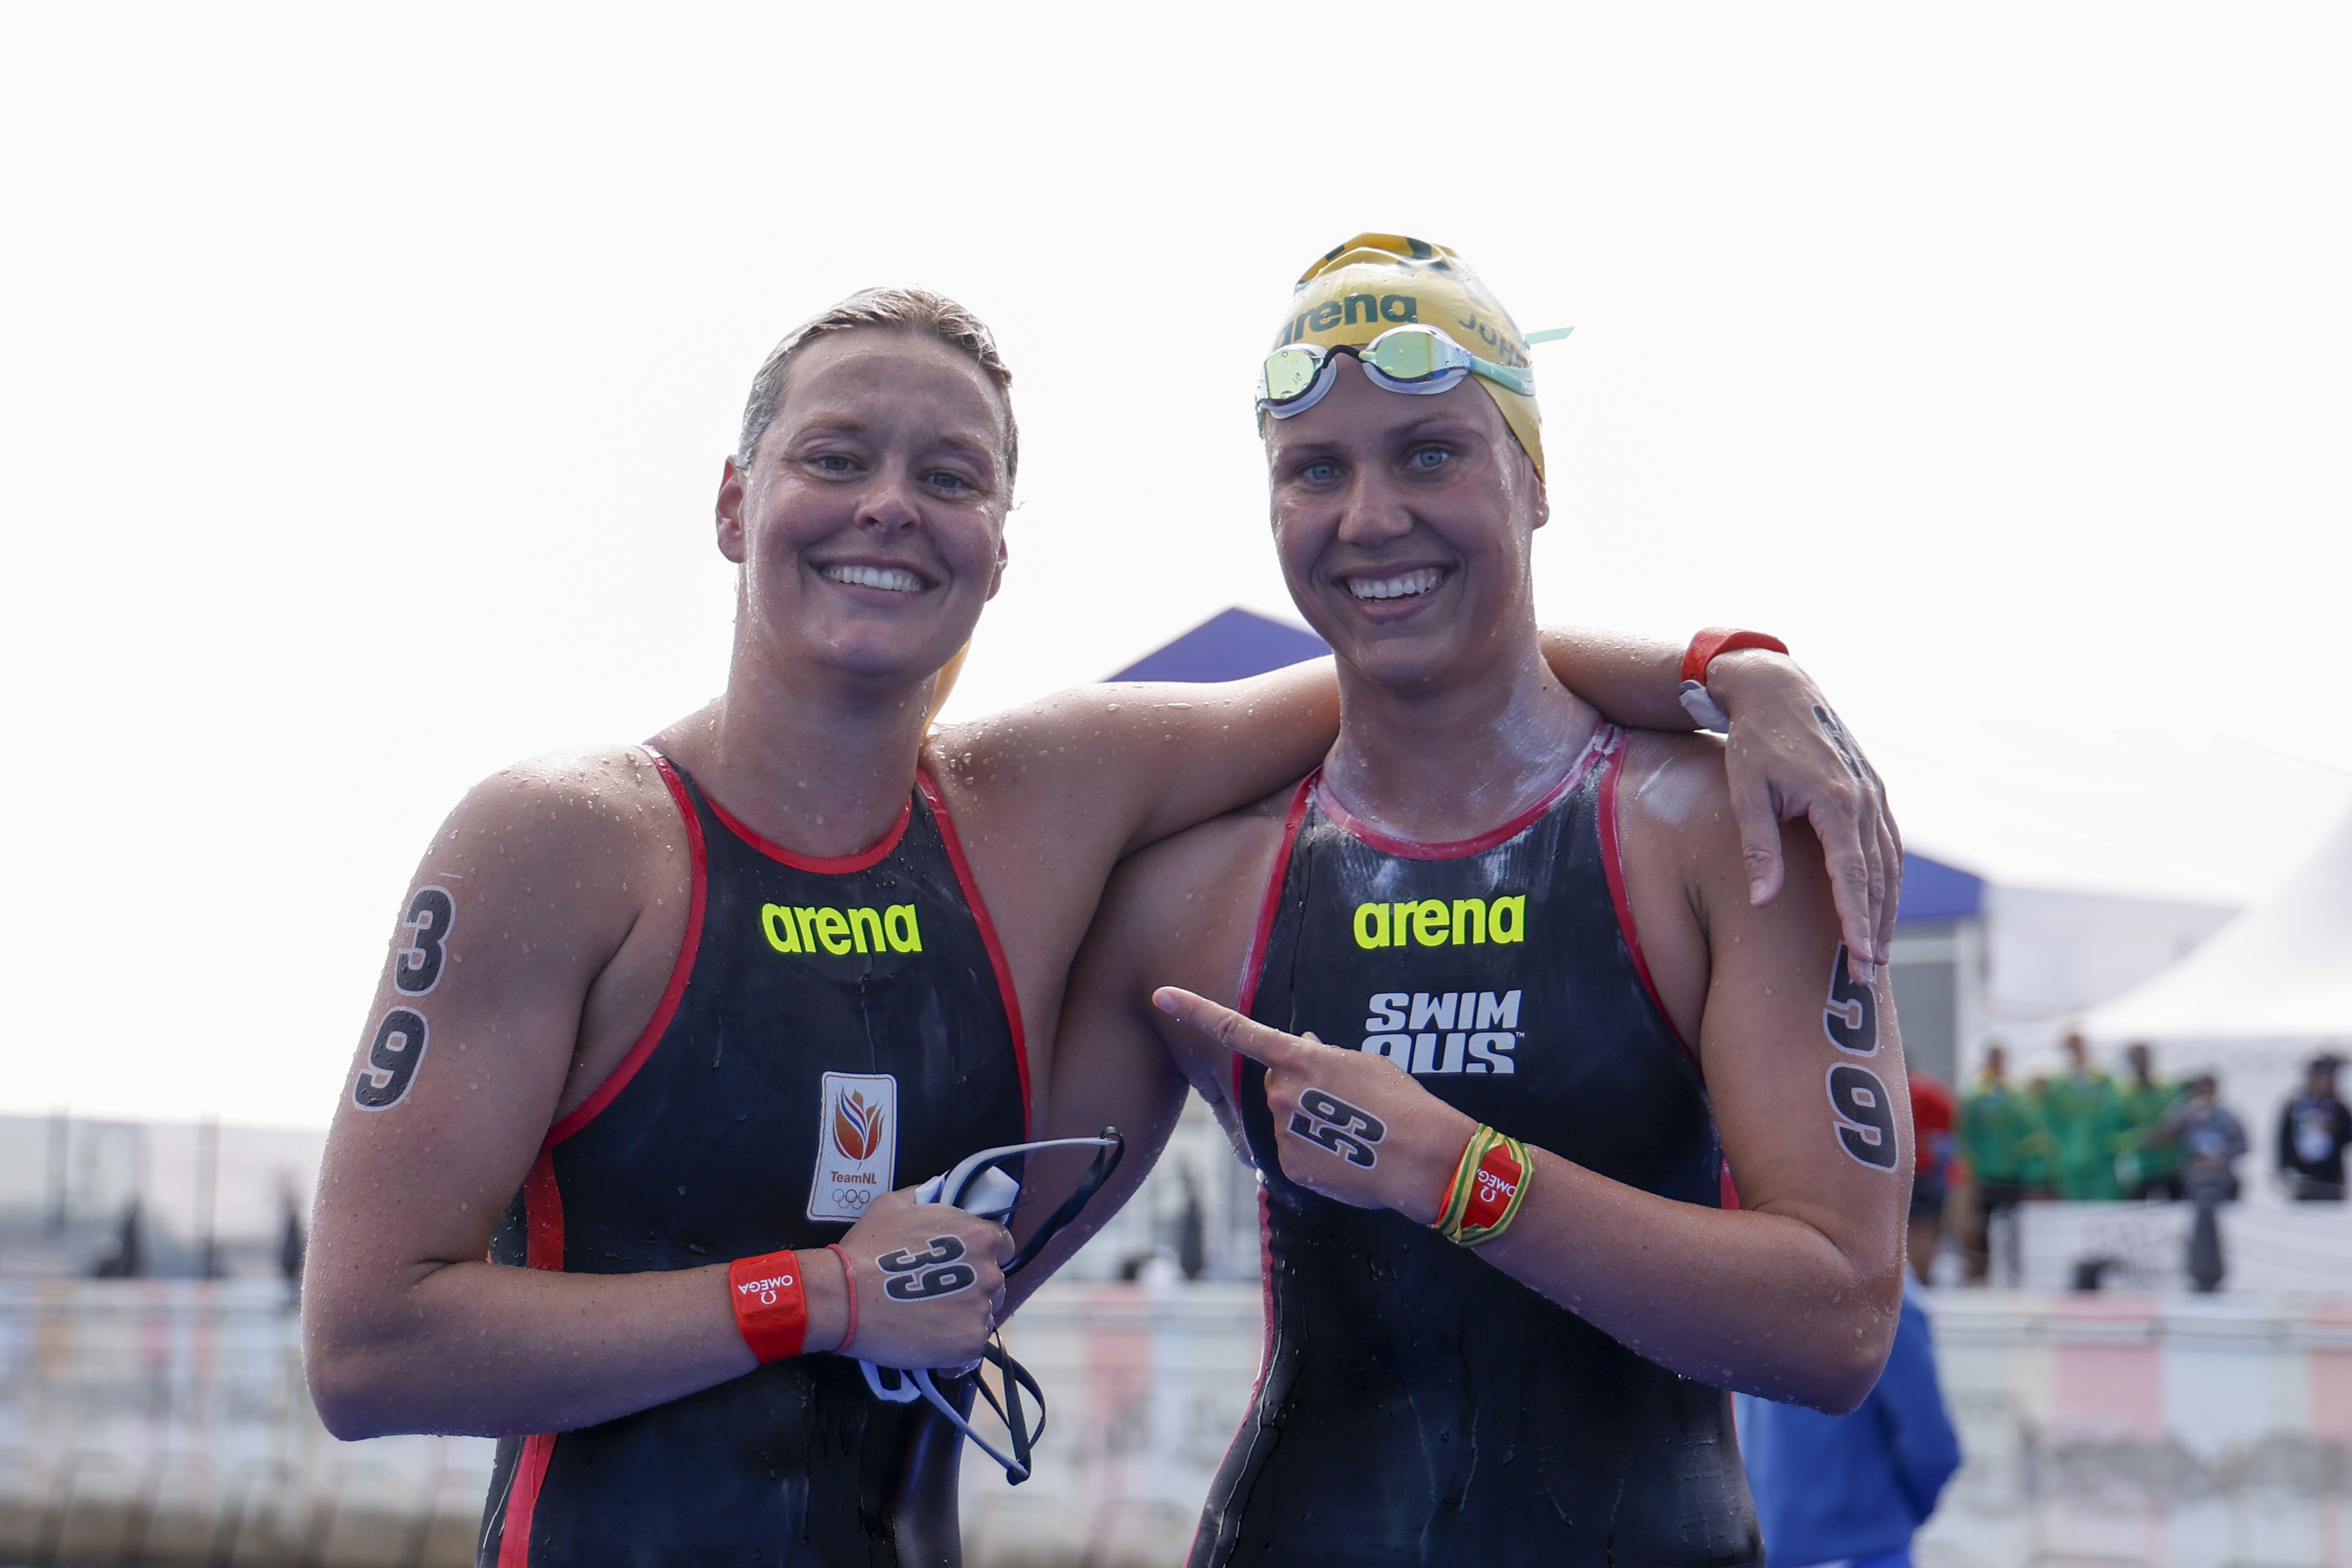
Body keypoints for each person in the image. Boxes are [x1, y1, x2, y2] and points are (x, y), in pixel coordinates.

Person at [299, 285, 1898, 1567]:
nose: (889, 509)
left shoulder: (1040, 804)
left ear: (1001, 537)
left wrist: (1741, 669)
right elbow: (369, 1349)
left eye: (949, 475)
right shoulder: (571, 838)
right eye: (836, 457)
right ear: (734, 502)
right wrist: (817, 1294)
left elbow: (1425, 660)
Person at [1024, 234, 1911, 1568]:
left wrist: (1461, 1174)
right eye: (1316, 469)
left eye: (1431, 452)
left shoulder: (1727, 834)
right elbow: (977, 1256)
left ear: (1533, 481)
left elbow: (1837, 1325)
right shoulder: (1197, 889)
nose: (1371, 514)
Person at [1735, 1268, 1961, 1568]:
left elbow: (1932, 1447)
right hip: (1844, 1548)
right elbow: (1933, 1446)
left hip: (1846, 1552)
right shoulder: (1879, 1282)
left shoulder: (1749, 1272)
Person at [1958, 1045, 2035, 1282]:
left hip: (2012, 1172)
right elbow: (1965, 1136)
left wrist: (2026, 1162)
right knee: (1983, 1226)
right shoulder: (1977, 1096)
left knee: (2014, 1225)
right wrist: (1970, 1170)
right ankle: (1983, 1272)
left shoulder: (2016, 1096)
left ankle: (2015, 1272)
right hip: (1986, 1172)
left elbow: (2029, 1131)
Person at [2044, 1033, 2120, 1200]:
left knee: (2103, 1203)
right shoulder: (2059, 1086)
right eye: (2072, 1048)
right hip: (2070, 1159)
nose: (2077, 1052)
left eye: (2080, 1047)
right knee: (2074, 1205)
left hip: (2100, 1157)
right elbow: (2051, 1123)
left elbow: (2114, 1113)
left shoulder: (2102, 1081)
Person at [2110, 1042, 2183, 1201]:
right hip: (2141, 1169)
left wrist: (2170, 1134)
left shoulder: (2168, 1089)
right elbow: (2113, 1135)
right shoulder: (2122, 1095)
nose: (2142, 1062)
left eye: (2145, 1057)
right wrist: (2140, 1138)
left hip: (2171, 1165)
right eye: (2138, 1058)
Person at [2161, 1073, 2247, 1202]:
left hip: (2222, 1175)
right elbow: (2165, 1136)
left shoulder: (2228, 1118)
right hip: (2189, 1175)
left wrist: (2221, 1157)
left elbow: (2242, 1145)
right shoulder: (2184, 1113)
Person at [1906, 1070, 1958, 1282]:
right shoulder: (1924, 1089)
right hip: (1923, 1170)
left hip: (1917, 1171)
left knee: (1915, 1224)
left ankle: (1919, 1273)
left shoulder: (1917, 1090)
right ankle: (1921, 1272)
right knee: (1925, 1225)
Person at [2278, 1054, 2352, 1201]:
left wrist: (2334, 1129)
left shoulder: (2338, 1109)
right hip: (2302, 1177)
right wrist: (2284, 1168)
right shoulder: (2295, 1107)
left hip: (2330, 1178)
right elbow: (2283, 1140)